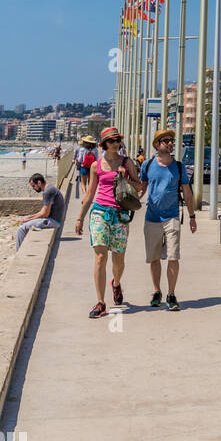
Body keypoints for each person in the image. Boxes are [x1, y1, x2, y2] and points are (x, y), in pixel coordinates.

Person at [74, 126, 141, 319]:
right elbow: (89, 193)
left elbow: (139, 186)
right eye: (111, 141)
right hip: (100, 213)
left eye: (117, 140)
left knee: (118, 260)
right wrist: (80, 217)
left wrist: (124, 177)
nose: (115, 144)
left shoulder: (127, 163)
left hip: (120, 214)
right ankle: (100, 302)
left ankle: (116, 283)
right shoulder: (96, 165)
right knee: (100, 256)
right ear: (104, 144)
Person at [139, 128, 196, 311]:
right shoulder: (147, 165)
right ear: (157, 145)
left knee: (173, 257)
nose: (170, 143)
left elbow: (187, 192)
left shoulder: (179, 167)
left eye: (171, 140)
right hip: (152, 217)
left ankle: (171, 294)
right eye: (166, 140)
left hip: (171, 216)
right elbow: (141, 189)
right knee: (154, 258)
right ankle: (157, 291)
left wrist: (192, 216)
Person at [16, 173, 65, 251]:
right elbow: (43, 211)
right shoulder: (50, 188)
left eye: (33, 186)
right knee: (26, 223)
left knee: (21, 229)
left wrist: (28, 220)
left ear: (39, 183)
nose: (33, 188)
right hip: (56, 220)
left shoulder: (47, 192)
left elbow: (45, 214)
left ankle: (18, 252)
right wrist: (29, 218)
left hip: (53, 221)